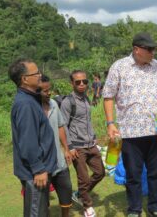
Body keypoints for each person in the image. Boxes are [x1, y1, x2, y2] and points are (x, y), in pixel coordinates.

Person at [103, 32, 157, 217]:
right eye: (149, 49)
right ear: (136, 49)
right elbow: (108, 96)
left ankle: (155, 207)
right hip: (130, 132)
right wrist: (110, 123)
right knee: (133, 174)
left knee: (156, 172)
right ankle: (134, 210)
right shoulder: (119, 67)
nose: (153, 52)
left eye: (154, 49)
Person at [8, 58, 57, 217]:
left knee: (40, 211)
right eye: (36, 73)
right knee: (36, 213)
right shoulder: (25, 104)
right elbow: (27, 141)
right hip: (35, 172)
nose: (40, 75)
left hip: (37, 170)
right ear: (25, 79)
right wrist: (38, 169)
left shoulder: (30, 99)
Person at [61, 70, 105, 217]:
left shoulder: (86, 98)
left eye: (84, 81)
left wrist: (94, 137)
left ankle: (80, 193)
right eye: (78, 82)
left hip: (91, 144)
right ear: (72, 83)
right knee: (84, 178)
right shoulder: (68, 102)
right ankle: (87, 206)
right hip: (77, 146)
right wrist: (70, 147)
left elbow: (87, 121)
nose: (82, 84)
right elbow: (63, 126)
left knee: (100, 172)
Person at [40, 75, 73, 217]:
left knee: (66, 191)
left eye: (49, 90)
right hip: (41, 165)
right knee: (42, 201)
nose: (49, 93)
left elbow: (60, 126)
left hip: (59, 161)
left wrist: (66, 149)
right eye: (44, 91)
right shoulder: (31, 109)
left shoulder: (53, 104)